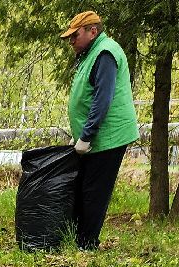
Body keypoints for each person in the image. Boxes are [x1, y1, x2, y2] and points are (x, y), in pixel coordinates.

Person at [61, 11, 138, 250]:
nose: (71, 41)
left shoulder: (105, 53)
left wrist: (86, 135)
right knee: (84, 186)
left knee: (95, 191)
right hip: (96, 137)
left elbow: (102, 100)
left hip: (109, 136)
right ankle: (80, 239)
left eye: (75, 35)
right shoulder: (90, 53)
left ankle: (87, 244)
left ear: (92, 31)